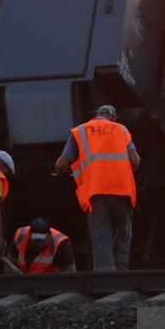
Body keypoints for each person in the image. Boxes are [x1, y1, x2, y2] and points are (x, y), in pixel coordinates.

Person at [55, 104, 140, 271]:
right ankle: (123, 275)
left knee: (102, 237)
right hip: (122, 190)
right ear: (113, 118)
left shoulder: (80, 132)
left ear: (95, 116)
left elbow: (60, 165)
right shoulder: (121, 130)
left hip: (96, 192)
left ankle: (106, 280)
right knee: (122, 234)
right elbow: (135, 161)